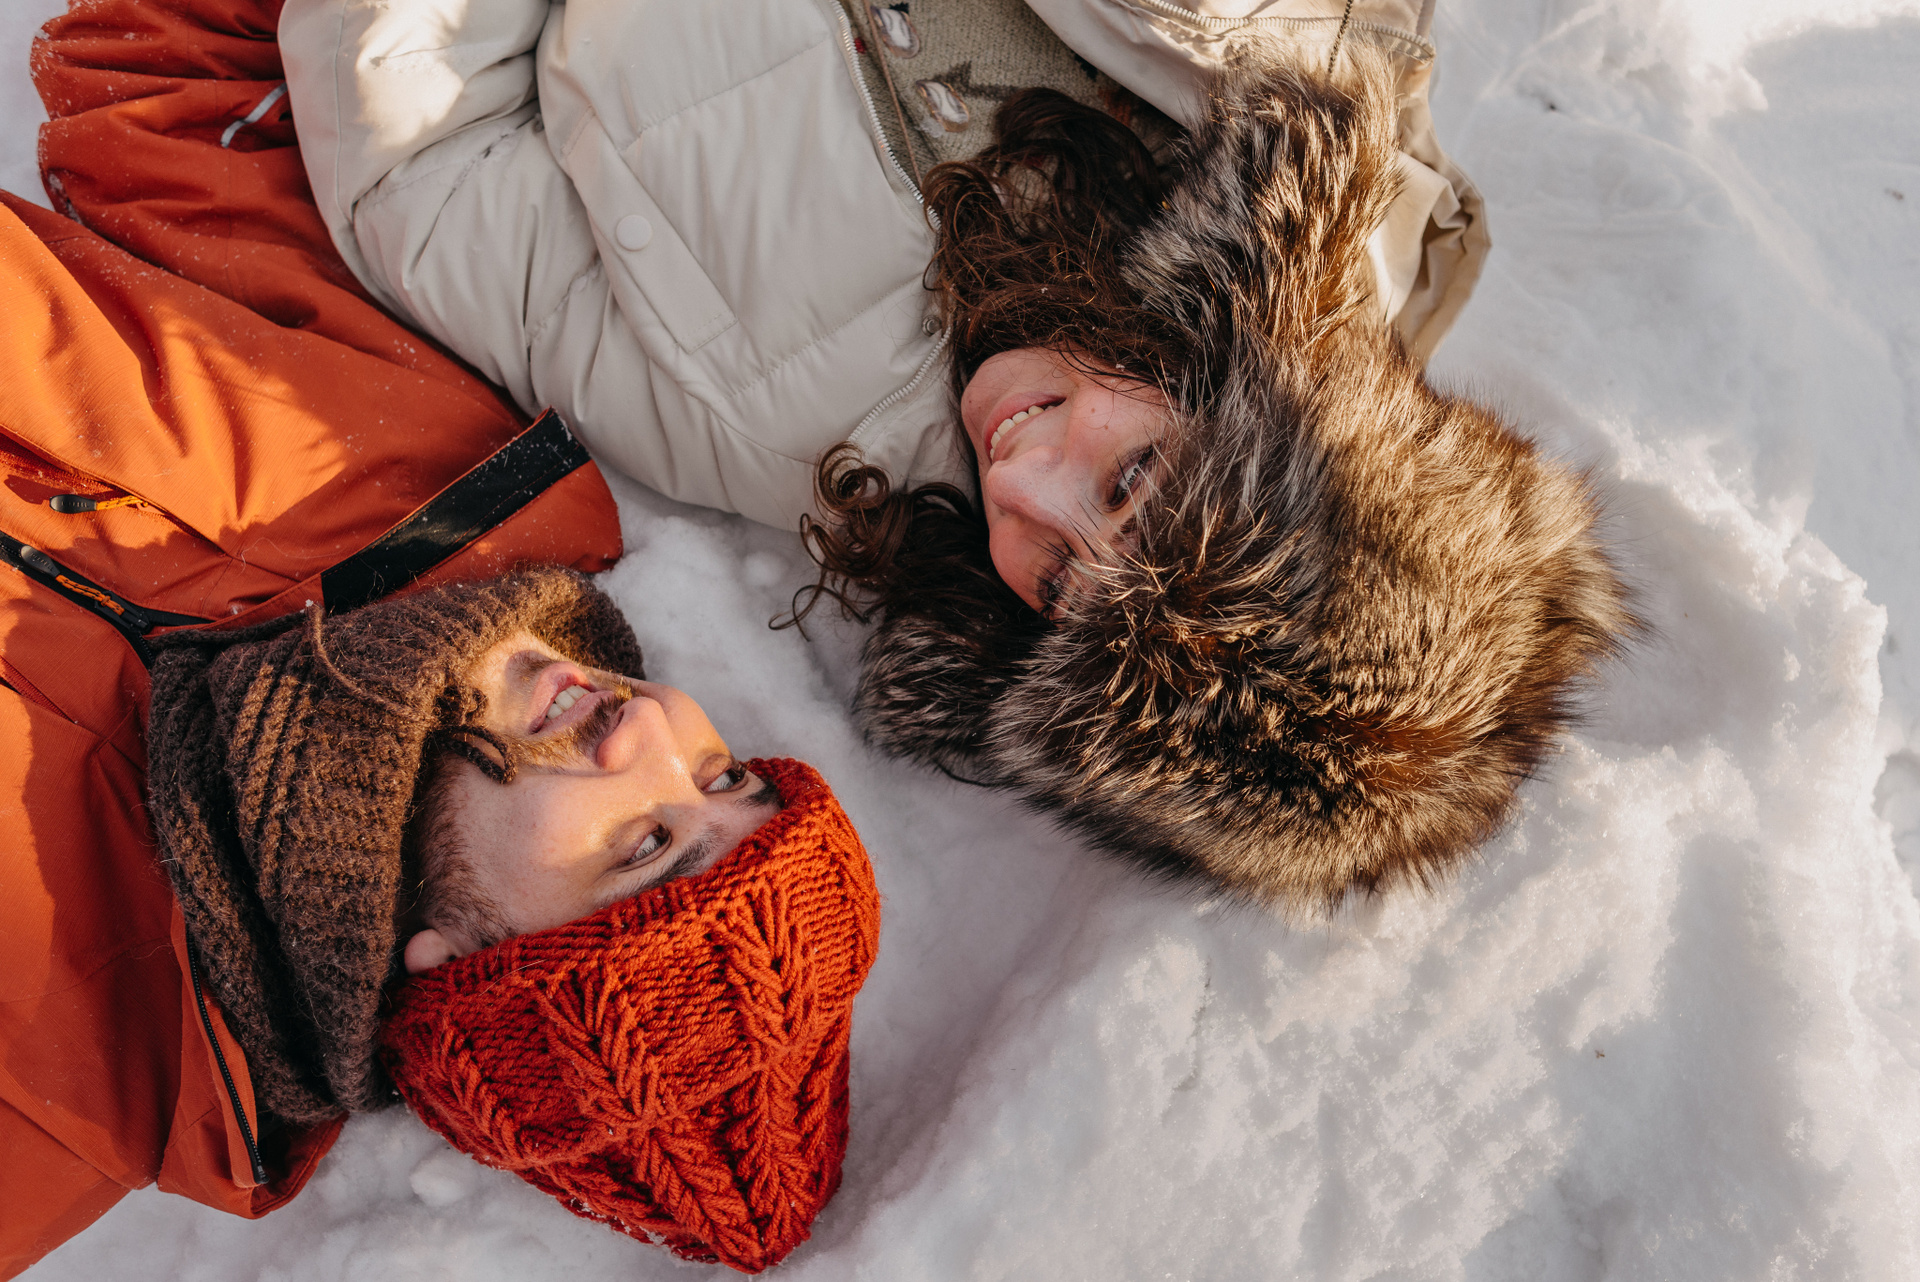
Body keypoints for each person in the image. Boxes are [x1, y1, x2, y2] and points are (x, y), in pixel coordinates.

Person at [281, 0, 1631, 912]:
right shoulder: (1301, 135)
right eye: (1134, 481)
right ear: (1261, 390)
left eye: (1057, 583)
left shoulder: (766, 428)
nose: (1022, 483)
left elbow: (425, 168)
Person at [5, 4, 878, 1274]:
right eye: (723, 774)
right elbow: (170, 90)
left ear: (461, 960)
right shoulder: (461, 504)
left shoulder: (57, 1094)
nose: (649, 729)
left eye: (644, 845)